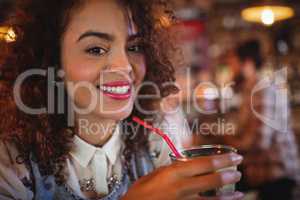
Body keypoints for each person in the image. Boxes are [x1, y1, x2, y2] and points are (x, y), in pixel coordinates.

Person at [0, 0, 243, 200]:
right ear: (52, 62)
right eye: (96, 49)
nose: (125, 66)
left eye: (134, 47)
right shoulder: (10, 162)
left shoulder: (155, 136)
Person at [223, 39, 300, 200]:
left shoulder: (260, 91)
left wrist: (227, 143)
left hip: (278, 176)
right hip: (265, 173)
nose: (230, 70)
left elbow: (259, 142)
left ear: (247, 63)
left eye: (233, 64)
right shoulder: (252, 89)